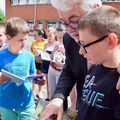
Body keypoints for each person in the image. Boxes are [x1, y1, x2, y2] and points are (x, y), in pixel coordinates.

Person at [40, 0, 102, 120]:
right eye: (63, 22)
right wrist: (58, 96)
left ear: (96, 9)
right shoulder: (69, 39)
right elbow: (69, 69)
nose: (69, 30)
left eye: (74, 20)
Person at [76, 5, 120, 120]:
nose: (81, 51)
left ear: (111, 41)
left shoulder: (117, 84)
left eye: (85, 45)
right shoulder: (95, 67)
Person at [0, 17, 36, 120]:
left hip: (27, 105)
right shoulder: (0, 56)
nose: (24, 43)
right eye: (20, 40)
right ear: (8, 37)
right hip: (6, 105)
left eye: (26, 39)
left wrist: (39, 80)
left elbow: (32, 75)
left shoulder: (29, 56)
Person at [48, 24, 65, 100]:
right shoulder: (56, 43)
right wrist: (54, 50)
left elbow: (70, 62)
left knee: (59, 94)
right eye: (58, 37)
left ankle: (60, 110)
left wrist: (64, 52)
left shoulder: (68, 45)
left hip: (60, 71)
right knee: (51, 91)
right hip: (52, 68)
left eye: (61, 37)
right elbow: (51, 57)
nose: (59, 39)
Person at [31, 28, 46, 99]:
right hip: (34, 62)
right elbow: (31, 51)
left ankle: (40, 92)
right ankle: (33, 93)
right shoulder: (33, 43)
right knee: (34, 77)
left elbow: (46, 54)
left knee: (40, 78)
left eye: (35, 35)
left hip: (41, 63)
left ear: (41, 36)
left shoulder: (44, 43)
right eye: (33, 35)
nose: (34, 37)